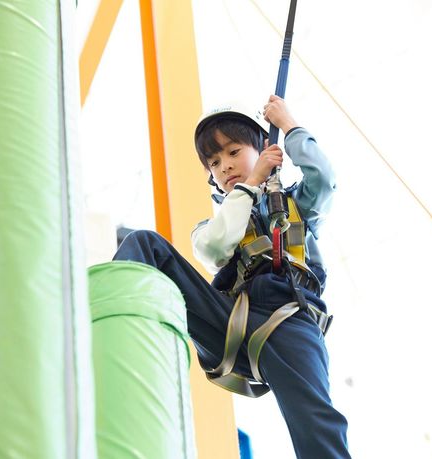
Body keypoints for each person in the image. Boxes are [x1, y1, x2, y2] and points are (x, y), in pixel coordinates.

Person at [113, 95, 350, 458]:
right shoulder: (214, 225)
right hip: (232, 322)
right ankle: (115, 332)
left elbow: (324, 179)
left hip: (290, 318)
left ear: (263, 149)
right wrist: (250, 183)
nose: (224, 166)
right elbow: (216, 247)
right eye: (214, 162)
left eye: (234, 152)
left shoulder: (297, 205)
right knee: (144, 244)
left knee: (316, 421)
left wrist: (288, 125)